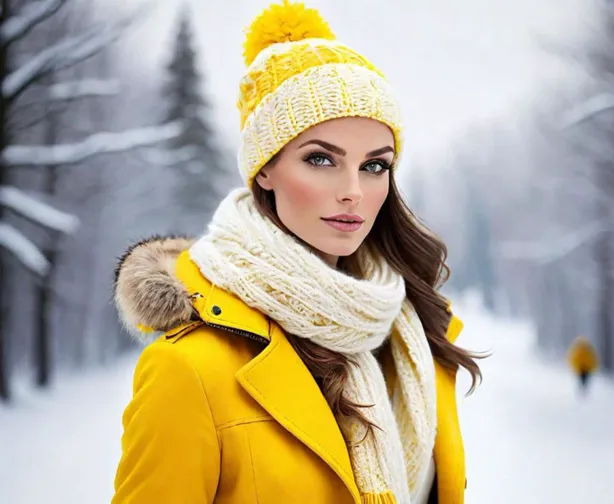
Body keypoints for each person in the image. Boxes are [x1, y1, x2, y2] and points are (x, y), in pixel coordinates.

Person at [111, 2, 483, 503]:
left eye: (375, 166)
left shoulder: (409, 339)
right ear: (265, 169)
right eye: (321, 159)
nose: (352, 190)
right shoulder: (188, 371)